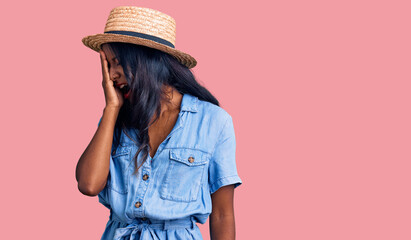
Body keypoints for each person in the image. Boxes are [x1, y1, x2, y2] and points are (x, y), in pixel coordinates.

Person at [75, 6, 242, 240]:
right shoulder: (116, 119)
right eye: (107, 66)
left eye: (117, 63)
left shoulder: (213, 121)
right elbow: (89, 185)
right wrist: (111, 109)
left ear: (146, 60)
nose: (111, 75)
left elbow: (223, 214)